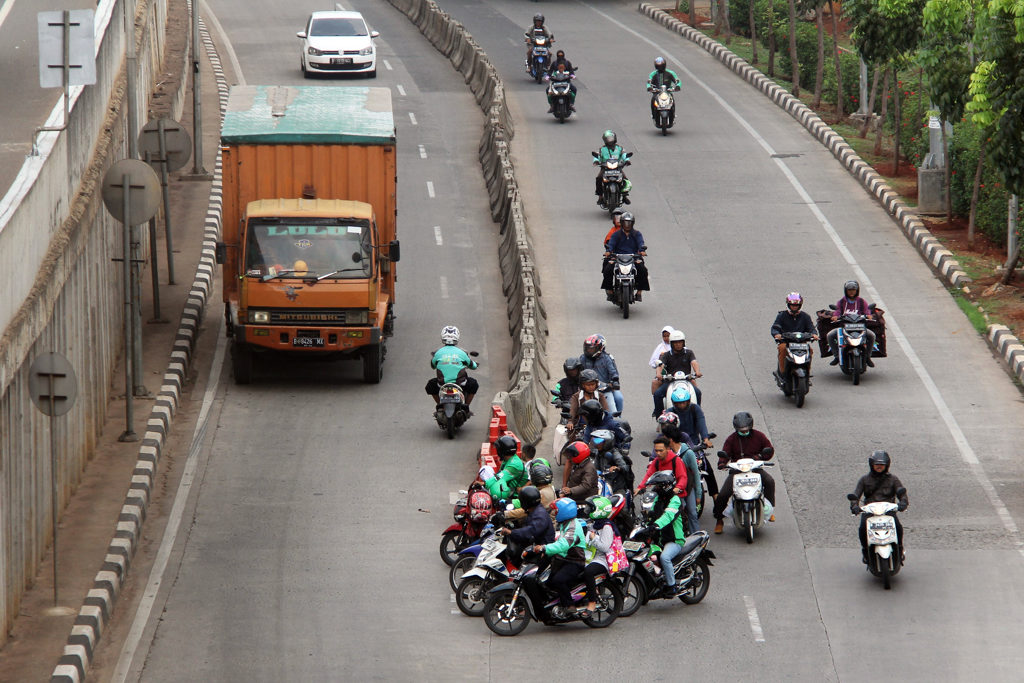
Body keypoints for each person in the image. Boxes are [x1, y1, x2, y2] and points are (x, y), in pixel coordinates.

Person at [712, 412, 775, 534]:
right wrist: (722, 463)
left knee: (769, 481)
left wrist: (761, 456)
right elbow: (725, 453)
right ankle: (719, 520)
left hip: (755, 469)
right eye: (741, 430)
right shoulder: (731, 439)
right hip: (737, 471)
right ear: (736, 429)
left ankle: (769, 509)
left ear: (751, 427)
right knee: (723, 495)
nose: (744, 432)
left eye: (746, 430)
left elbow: (769, 449)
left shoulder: (759, 436)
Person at [533, 498, 587, 619]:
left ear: (564, 512)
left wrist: (544, 548)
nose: (555, 513)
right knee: (547, 581)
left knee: (558, 580)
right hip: (564, 558)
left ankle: (569, 605)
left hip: (574, 561)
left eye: (556, 511)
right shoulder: (565, 523)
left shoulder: (573, 527)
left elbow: (563, 544)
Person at [850, 450, 908, 564]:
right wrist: (854, 506)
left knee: (898, 527)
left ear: (887, 465)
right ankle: (866, 551)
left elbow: (902, 493)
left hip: (888, 510)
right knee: (862, 529)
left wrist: (903, 503)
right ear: (872, 465)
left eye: (882, 465)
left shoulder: (893, 479)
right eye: (877, 465)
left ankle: (900, 549)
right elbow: (856, 495)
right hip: (870, 510)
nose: (879, 467)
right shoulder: (864, 479)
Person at [641, 471, 688, 595]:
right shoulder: (658, 499)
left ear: (665, 487)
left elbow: (667, 516)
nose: (655, 489)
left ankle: (672, 586)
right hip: (660, 539)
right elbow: (651, 512)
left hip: (674, 540)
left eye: (657, 486)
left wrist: (656, 525)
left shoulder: (675, 500)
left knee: (665, 557)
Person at [581, 496, 620, 617]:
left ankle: (592, 602)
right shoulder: (595, 524)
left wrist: (594, 539)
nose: (588, 510)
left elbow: (604, 547)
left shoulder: (606, 526)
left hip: (603, 560)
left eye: (591, 508)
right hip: (592, 557)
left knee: (588, 572)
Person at [425, 325, 479, 413]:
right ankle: (466, 407)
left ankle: (440, 406)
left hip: (442, 384)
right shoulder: (462, 353)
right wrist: (475, 364)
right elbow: (473, 366)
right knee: (474, 384)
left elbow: (433, 366)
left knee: (430, 385)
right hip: (460, 383)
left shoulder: (438, 352)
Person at [661, 425, 702, 534]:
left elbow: (696, 475)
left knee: (693, 513)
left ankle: (696, 536)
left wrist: (698, 494)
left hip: (688, 487)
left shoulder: (688, 453)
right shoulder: (667, 453)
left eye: (664, 437)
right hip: (674, 489)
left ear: (670, 440)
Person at [827, 280, 876, 367]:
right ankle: (837, 357)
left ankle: (868, 357)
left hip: (860, 327)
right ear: (846, 291)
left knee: (872, 335)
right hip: (845, 328)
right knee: (830, 335)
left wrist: (869, 315)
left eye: (854, 290)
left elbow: (867, 311)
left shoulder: (861, 301)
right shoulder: (841, 302)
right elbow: (838, 311)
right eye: (849, 290)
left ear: (857, 291)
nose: (852, 292)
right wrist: (835, 316)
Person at [652, 329, 702, 416]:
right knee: (657, 394)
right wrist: (659, 374)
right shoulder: (666, 355)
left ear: (683, 342)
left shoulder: (689, 353)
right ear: (671, 343)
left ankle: (697, 415)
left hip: (686, 380)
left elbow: (694, 362)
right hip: (670, 381)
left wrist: (697, 371)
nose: (678, 344)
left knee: (698, 393)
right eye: (675, 343)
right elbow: (661, 365)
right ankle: (660, 416)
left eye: (680, 342)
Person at [602, 212, 649, 301]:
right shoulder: (616, 234)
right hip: (617, 257)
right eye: (625, 223)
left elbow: (640, 243)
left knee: (643, 270)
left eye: (629, 223)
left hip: (633, 257)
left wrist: (642, 251)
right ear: (622, 223)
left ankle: (639, 292)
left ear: (632, 223)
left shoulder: (637, 234)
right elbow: (611, 244)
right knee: (607, 269)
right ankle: (610, 291)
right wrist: (608, 251)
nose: (627, 225)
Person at [771, 292, 818, 378]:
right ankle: (782, 373)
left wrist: (814, 334)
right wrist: (777, 334)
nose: (794, 307)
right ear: (788, 305)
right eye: (792, 305)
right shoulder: (782, 316)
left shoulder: (805, 316)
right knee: (782, 349)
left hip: (801, 343)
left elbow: (811, 328)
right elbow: (775, 327)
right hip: (786, 342)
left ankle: (806, 372)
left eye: (796, 305)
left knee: (809, 350)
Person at [502, 485, 556, 552]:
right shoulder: (535, 509)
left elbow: (530, 531)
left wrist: (511, 532)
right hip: (536, 544)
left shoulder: (540, 515)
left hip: (542, 550)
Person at [578, 334, 623, 414]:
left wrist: (615, 381)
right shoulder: (582, 359)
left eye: (592, 349)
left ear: (600, 348)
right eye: (587, 349)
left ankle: (617, 420)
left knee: (619, 398)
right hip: (587, 388)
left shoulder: (607, 358)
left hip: (605, 389)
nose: (589, 351)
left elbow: (613, 372)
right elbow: (579, 373)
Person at [481, 434, 528, 501]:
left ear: (502, 450)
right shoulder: (508, 460)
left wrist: (484, 484)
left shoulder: (514, 465)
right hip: (511, 493)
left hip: (518, 498)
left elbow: (499, 478)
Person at [593, 130, 631, 206]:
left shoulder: (620, 148)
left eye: (611, 138)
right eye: (608, 139)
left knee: (625, 179)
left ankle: (624, 196)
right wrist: (596, 161)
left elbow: (624, 155)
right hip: (605, 168)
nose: (609, 140)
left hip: (617, 168)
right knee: (599, 178)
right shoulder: (602, 149)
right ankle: (600, 197)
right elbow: (597, 156)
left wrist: (627, 160)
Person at [589, 429, 631, 495]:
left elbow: (625, 467)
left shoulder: (615, 454)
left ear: (607, 442)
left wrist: (617, 468)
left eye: (599, 442)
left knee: (620, 500)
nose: (597, 444)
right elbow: (596, 467)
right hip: (604, 482)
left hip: (616, 484)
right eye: (596, 442)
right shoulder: (599, 453)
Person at [647, 56, 681, 123]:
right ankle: (654, 115)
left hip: (668, 92)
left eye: (661, 65)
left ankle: (673, 114)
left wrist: (677, 86)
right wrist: (649, 87)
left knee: (672, 101)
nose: (660, 67)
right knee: (653, 99)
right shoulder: (653, 74)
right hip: (657, 92)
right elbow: (649, 82)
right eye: (658, 66)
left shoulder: (670, 73)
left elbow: (677, 81)